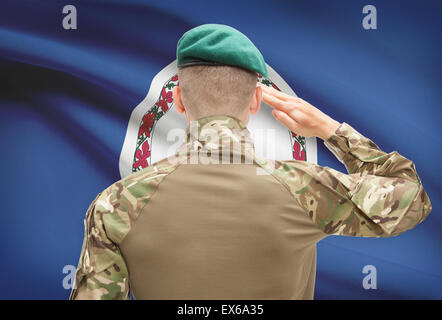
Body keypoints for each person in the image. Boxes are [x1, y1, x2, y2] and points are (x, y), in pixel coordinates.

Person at [69, 24, 432, 300]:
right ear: (257, 100)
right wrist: (331, 130)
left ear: (178, 99)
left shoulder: (115, 204)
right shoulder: (305, 188)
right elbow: (411, 198)